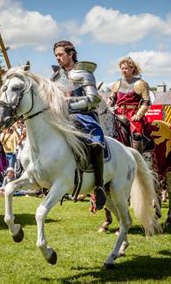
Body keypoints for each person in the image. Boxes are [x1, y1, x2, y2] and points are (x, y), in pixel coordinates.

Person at [51, 40, 106, 210]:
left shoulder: (84, 73)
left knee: (96, 144)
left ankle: (99, 186)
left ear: (71, 54)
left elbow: (93, 99)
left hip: (84, 116)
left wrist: (67, 103)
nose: (58, 58)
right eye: (56, 56)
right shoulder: (55, 77)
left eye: (60, 55)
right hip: (62, 117)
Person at [108, 56, 153, 153]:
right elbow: (112, 98)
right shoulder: (117, 84)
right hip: (118, 113)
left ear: (132, 69)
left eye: (126, 68)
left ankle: (138, 158)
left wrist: (139, 115)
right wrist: (110, 102)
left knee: (136, 133)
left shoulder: (140, 83)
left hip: (133, 114)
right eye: (122, 68)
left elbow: (146, 102)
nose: (124, 70)